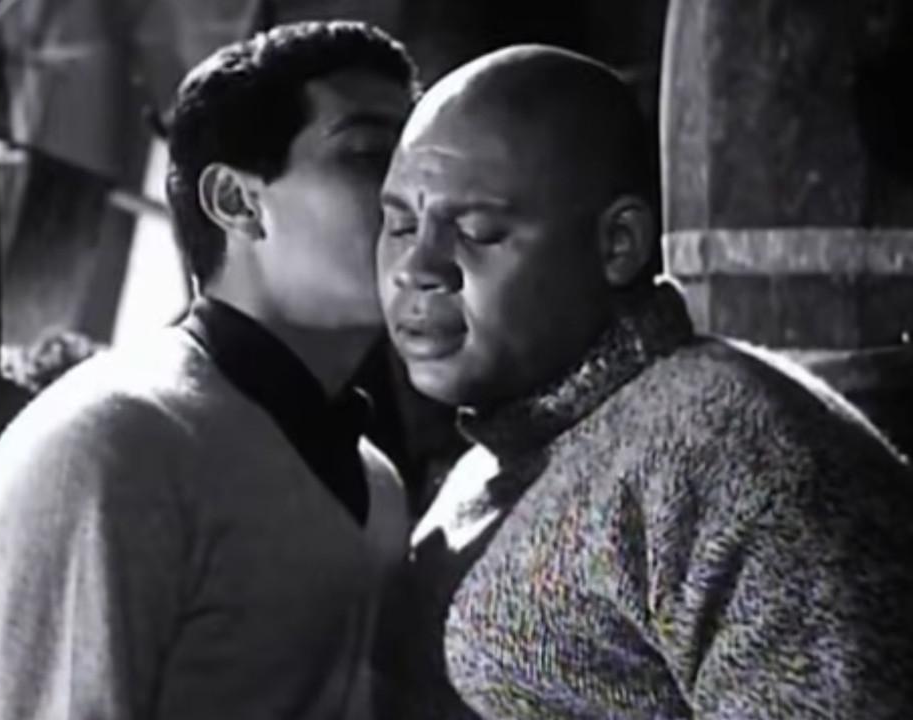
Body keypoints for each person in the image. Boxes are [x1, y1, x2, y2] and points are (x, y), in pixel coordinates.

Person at [375, 44, 913, 718]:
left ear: (618, 244)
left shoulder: (729, 454)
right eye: (399, 224)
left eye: (478, 231)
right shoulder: (496, 456)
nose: (417, 266)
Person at [0, 20, 418, 720]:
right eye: (370, 155)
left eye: (423, 166)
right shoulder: (109, 449)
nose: (417, 200)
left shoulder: (375, 481)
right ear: (237, 202)